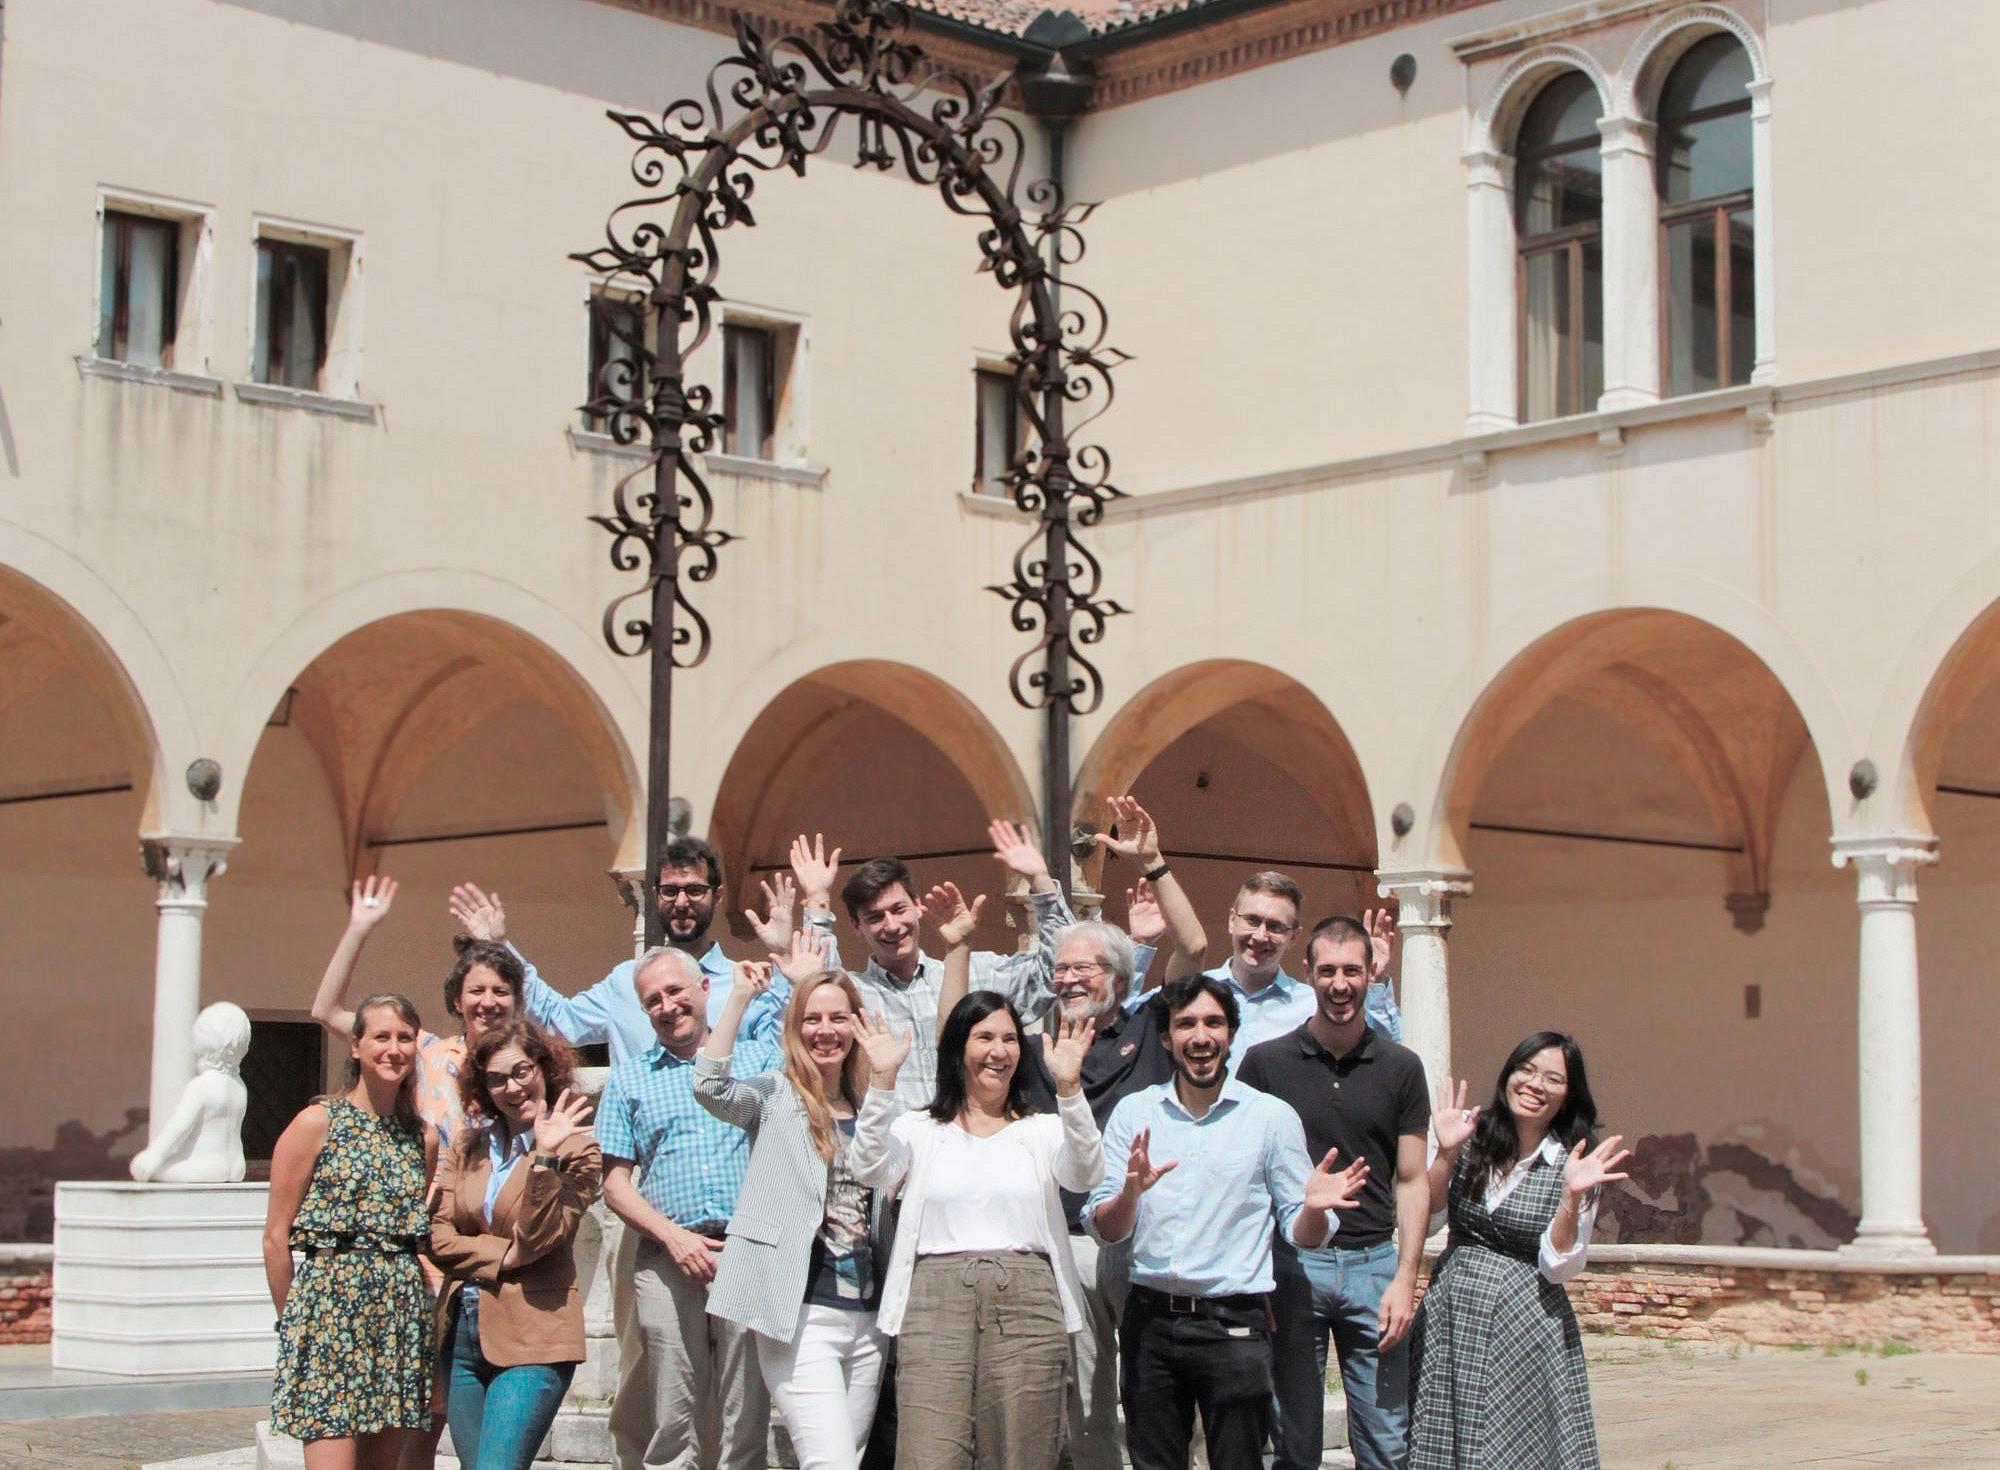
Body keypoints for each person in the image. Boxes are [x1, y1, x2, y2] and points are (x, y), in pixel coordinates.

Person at [936, 796, 1208, 1470]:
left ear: (1117, 979)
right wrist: (966, 946)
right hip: (1062, 1241)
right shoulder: (1028, 1044)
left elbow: (1196, 948)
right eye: (1059, 969)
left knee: (1160, 1401)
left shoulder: (1150, 1027)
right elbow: (954, 1040)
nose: (1067, 978)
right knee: (1084, 1411)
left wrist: (1156, 865)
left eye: (1082, 968)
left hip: (1146, 1238)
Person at [1086, 975, 1369, 1470]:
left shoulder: (1270, 1118)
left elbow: (1300, 1233)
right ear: (1167, 1038)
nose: (1201, 1037)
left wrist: (1315, 1209)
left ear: (1232, 1033)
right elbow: (1107, 1227)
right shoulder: (1135, 1114)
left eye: (1214, 1022)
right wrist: (1130, 1193)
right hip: (1150, 1321)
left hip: (1235, 1326)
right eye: (1186, 1024)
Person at [848, 990, 1103, 1470]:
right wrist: (881, 1082)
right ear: (958, 1050)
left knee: (1023, 1452)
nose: (999, 1051)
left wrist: (1069, 1089)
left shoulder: (1042, 1129)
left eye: (1009, 1039)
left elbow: (1085, 1173)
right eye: (984, 1036)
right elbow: (868, 1168)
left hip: (1028, 1302)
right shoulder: (919, 1127)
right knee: (929, 1451)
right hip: (933, 1301)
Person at [1238, 915, 1431, 1470]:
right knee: (1295, 1446)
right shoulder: (1266, 1064)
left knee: (1388, 1444)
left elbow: (1413, 1178)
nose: (1340, 984)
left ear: (1372, 972)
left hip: (1375, 1267)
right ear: (1308, 973)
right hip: (1294, 1267)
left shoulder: (1402, 1067)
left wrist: (1405, 1277)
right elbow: (1250, 1178)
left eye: (1352, 970)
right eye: (1327, 971)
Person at [693, 936, 888, 1470]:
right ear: (795, 1027)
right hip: (801, 1312)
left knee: (845, 1458)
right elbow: (710, 1088)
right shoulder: (777, 1094)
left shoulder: (873, 1105)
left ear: (856, 1025)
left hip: (868, 1318)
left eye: (838, 1018)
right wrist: (738, 999)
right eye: (812, 1019)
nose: (826, 1030)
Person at [597, 946, 783, 1470]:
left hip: (744, 1255)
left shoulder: (758, 1060)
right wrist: (675, 1238)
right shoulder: (630, 1080)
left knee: (744, 1421)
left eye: (675, 990)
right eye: (653, 999)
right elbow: (615, 1185)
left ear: (704, 988)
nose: (667, 1005)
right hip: (667, 1260)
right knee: (672, 1422)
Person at [1410, 1034, 1631, 1470]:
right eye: (1526, 1070)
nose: (1535, 1084)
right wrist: (1446, 1155)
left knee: (1512, 1448)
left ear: (1568, 1095)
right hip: (1451, 1313)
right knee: (1438, 1439)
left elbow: (1558, 1264)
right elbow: (1432, 1218)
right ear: (1508, 1075)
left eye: (1553, 1078)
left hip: (1527, 1328)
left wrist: (1570, 1196)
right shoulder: (1471, 1137)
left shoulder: (1574, 1164)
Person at [263, 993, 437, 1470]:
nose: (394, 1049)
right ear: (356, 1046)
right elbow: (276, 1236)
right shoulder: (316, 1122)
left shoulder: (422, 1136)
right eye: (381, 1037)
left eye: (405, 1038)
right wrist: (294, 1321)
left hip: (399, 1318)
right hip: (328, 1315)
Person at [448, 834, 799, 1064]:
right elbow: (560, 1022)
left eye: (694, 890)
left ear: (717, 896)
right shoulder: (624, 982)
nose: (681, 902)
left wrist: (785, 955)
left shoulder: (744, 983)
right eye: (669, 891)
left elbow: (785, 1050)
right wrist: (499, 946)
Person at [427, 1019, 602, 1470]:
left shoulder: (578, 1151)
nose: (512, 1087)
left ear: (544, 1070)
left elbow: (542, 1238)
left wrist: (544, 1157)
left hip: (534, 1336)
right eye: (497, 1079)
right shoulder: (469, 1146)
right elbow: (437, 1236)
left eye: (522, 1071)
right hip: (461, 1335)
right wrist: (504, 1256)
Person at [829, 819, 1078, 1107]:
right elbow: (809, 996)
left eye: (899, 909)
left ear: (917, 905)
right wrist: (816, 900)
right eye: (875, 917)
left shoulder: (975, 973)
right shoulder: (853, 995)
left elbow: (1056, 972)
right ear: (857, 927)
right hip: (892, 1147)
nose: (892, 925)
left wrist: (1041, 882)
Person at [310, 874, 520, 1155]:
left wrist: (499, 943)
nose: (488, 1001)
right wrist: (358, 930)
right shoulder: (424, 1052)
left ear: (517, 1002)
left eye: (501, 992)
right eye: (477, 991)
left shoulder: (528, 1067)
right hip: (427, 1197)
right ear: (458, 1001)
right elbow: (327, 1012)